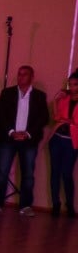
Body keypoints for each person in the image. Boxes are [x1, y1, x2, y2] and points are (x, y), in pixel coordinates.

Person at [0, 65, 50, 216]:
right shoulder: (7, 93)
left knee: (28, 173)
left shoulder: (39, 96)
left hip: (29, 140)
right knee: (2, 171)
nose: (21, 77)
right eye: (19, 74)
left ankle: (25, 205)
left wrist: (28, 133)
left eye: (25, 74)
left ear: (32, 77)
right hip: (8, 138)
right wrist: (11, 132)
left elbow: (43, 118)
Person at [49, 72, 78, 217]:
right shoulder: (64, 99)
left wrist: (66, 121)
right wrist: (55, 102)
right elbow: (56, 117)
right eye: (70, 84)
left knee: (67, 173)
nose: (72, 88)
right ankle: (56, 204)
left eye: (75, 84)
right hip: (57, 138)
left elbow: (73, 122)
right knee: (55, 172)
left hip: (72, 140)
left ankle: (70, 205)